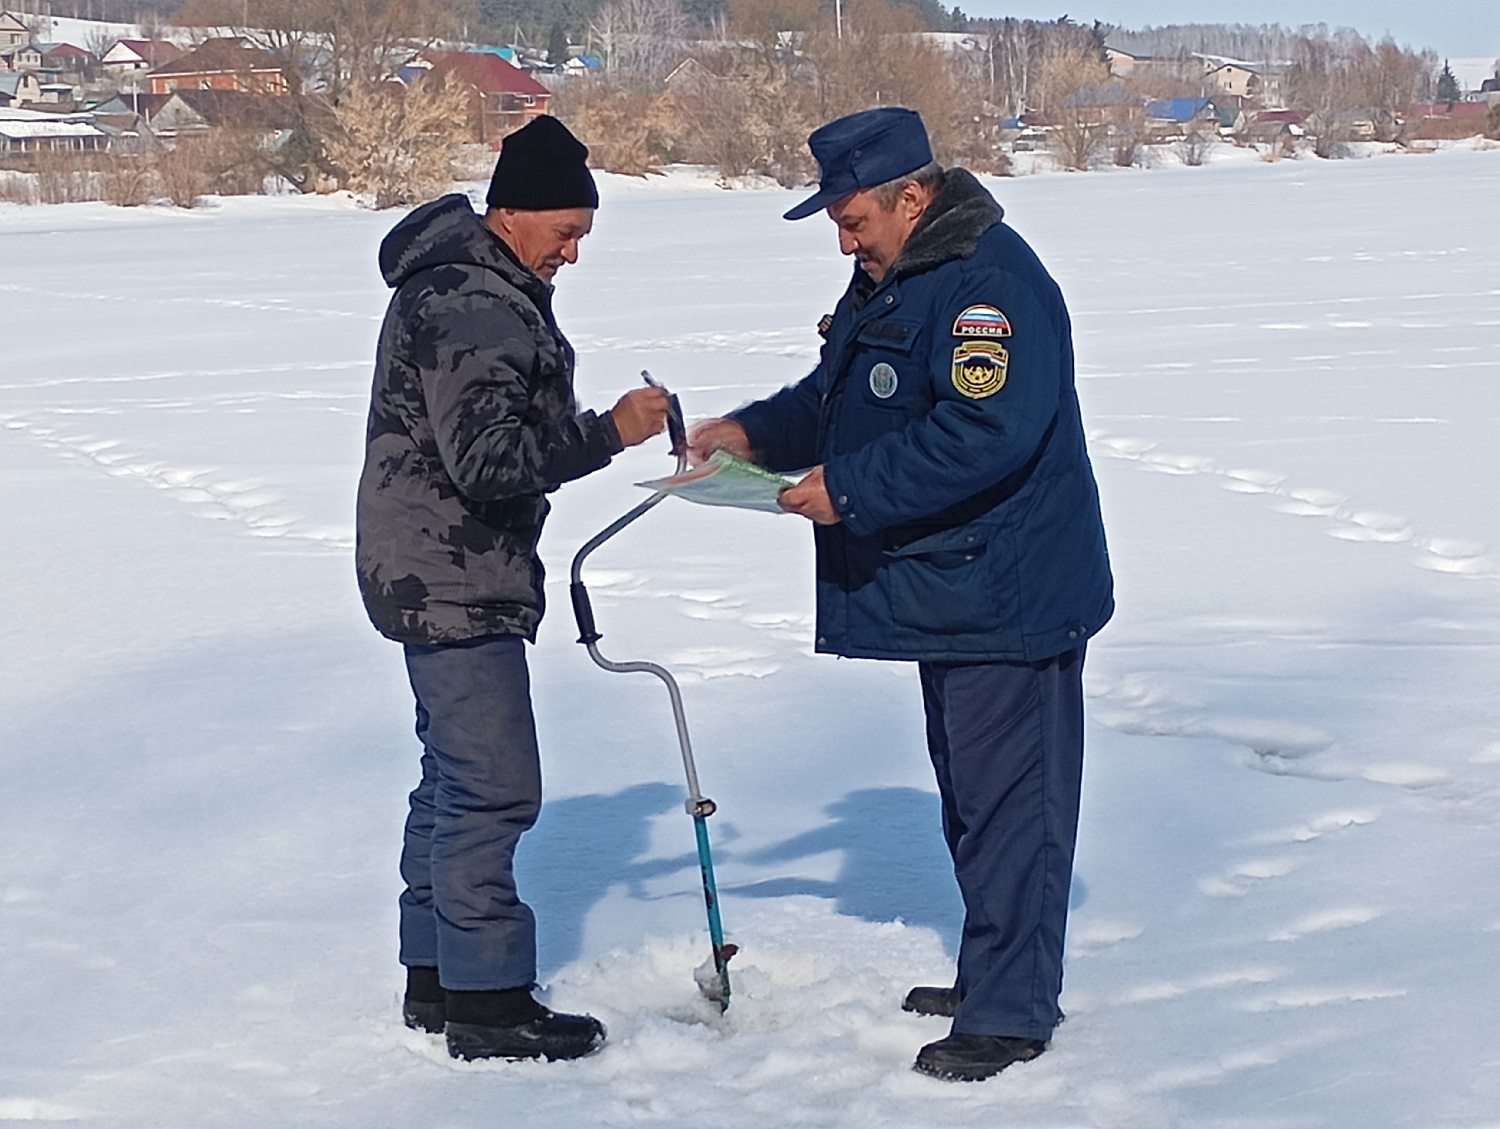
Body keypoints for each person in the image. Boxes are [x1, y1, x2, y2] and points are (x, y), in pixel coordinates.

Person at [687, 107, 1114, 1082]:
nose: (844, 239)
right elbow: (842, 399)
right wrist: (750, 434)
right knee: (972, 801)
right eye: (836, 222)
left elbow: (985, 432)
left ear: (912, 196)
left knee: (1014, 806)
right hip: (952, 587)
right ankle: (994, 972)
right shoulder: (896, 274)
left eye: (852, 219)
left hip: (1008, 590)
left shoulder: (987, 287)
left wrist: (852, 489)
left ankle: (1010, 1012)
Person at [355, 115, 670, 1062]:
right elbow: (489, 460)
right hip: (452, 574)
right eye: (566, 230)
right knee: (493, 787)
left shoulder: (475, 283)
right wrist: (609, 430)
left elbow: (489, 432)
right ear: (511, 212)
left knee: (448, 778)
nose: (573, 253)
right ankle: (489, 1004)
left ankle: (436, 977)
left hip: (435, 565)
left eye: (583, 235)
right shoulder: (475, 301)